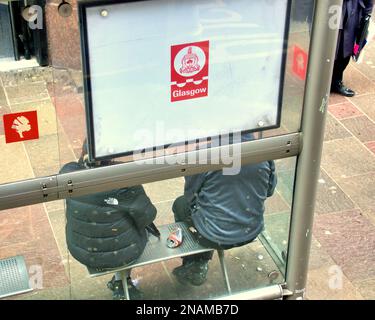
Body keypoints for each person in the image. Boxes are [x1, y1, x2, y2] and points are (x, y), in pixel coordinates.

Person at [172, 135, 277, 286]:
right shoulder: (263, 151)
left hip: (212, 236)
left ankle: (196, 264)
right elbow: (269, 190)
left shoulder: (205, 154)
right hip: (251, 230)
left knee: (180, 205)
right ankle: (198, 262)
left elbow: (190, 196)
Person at [60, 142, 158, 299]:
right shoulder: (123, 177)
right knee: (130, 229)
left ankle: (120, 282)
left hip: (83, 250)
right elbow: (148, 215)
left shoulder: (68, 173)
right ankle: (121, 280)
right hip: (123, 255)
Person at [331, 0, 373, 97]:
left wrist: (367, 12)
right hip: (330, 7)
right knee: (326, 46)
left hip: (353, 8)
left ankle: (336, 81)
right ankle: (321, 81)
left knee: (346, 48)